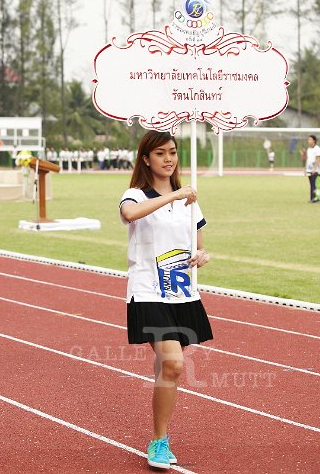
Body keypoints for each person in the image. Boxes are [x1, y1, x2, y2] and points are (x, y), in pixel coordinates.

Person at [119, 130, 212, 470]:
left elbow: (199, 244)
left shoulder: (189, 200)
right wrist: (173, 197)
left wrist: (202, 255)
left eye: (172, 152)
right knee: (173, 364)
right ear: (146, 158)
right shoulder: (134, 194)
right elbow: (130, 214)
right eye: (160, 154)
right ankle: (159, 441)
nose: (169, 159)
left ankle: (159, 433)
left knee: (165, 368)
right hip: (147, 291)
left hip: (182, 292)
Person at [305, 135, 320, 202]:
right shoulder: (308, 149)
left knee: (315, 184)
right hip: (309, 169)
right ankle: (312, 198)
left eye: (310, 139)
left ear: (314, 140)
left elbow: (318, 159)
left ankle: (316, 198)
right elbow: (308, 159)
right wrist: (305, 169)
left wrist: (314, 169)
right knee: (311, 184)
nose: (308, 141)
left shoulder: (317, 148)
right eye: (308, 139)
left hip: (315, 170)